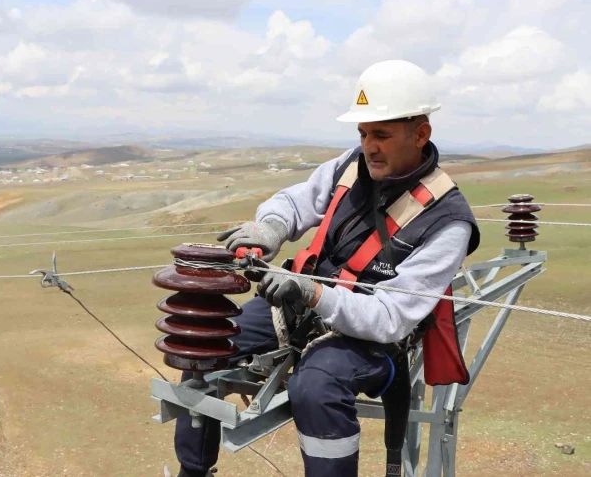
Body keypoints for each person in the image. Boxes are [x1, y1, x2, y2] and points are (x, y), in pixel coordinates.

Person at [168, 59, 480, 477]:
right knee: (207, 342)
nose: (369, 146)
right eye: (364, 133)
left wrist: (311, 292)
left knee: (315, 388)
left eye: (382, 135)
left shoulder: (448, 222)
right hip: (301, 305)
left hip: (371, 338)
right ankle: (194, 470)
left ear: (421, 133)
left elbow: (389, 319)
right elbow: (297, 201)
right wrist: (271, 228)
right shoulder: (352, 166)